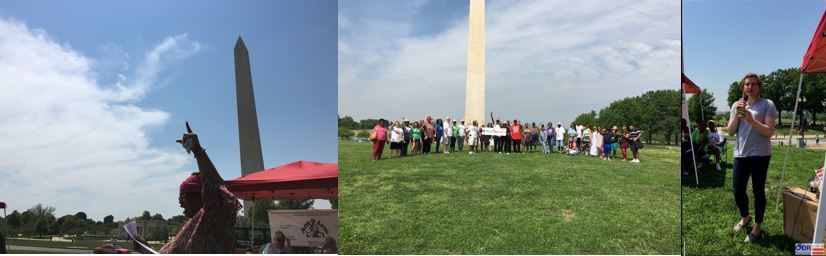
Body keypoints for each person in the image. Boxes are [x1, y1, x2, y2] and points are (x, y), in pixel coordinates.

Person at [133, 123, 242, 253]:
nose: (180, 203)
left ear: (204, 195)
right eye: (179, 197)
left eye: (184, 196)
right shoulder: (191, 227)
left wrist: (198, 151)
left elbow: (219, 190)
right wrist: (145, 249)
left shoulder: (216, 219)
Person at [727, 73, 777, 243]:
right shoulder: (737, 104)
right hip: (740, 154)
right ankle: (745, 217)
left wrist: (750, 119)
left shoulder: (767, 105)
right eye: (747, 84)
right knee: (738, 190)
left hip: (760, 155)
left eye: (754, 84)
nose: (750, 87)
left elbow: (769, 132)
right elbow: (731, 131)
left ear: (759, 87)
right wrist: (737, 114)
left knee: (758, 191)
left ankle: (757, 226)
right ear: (743, 87)